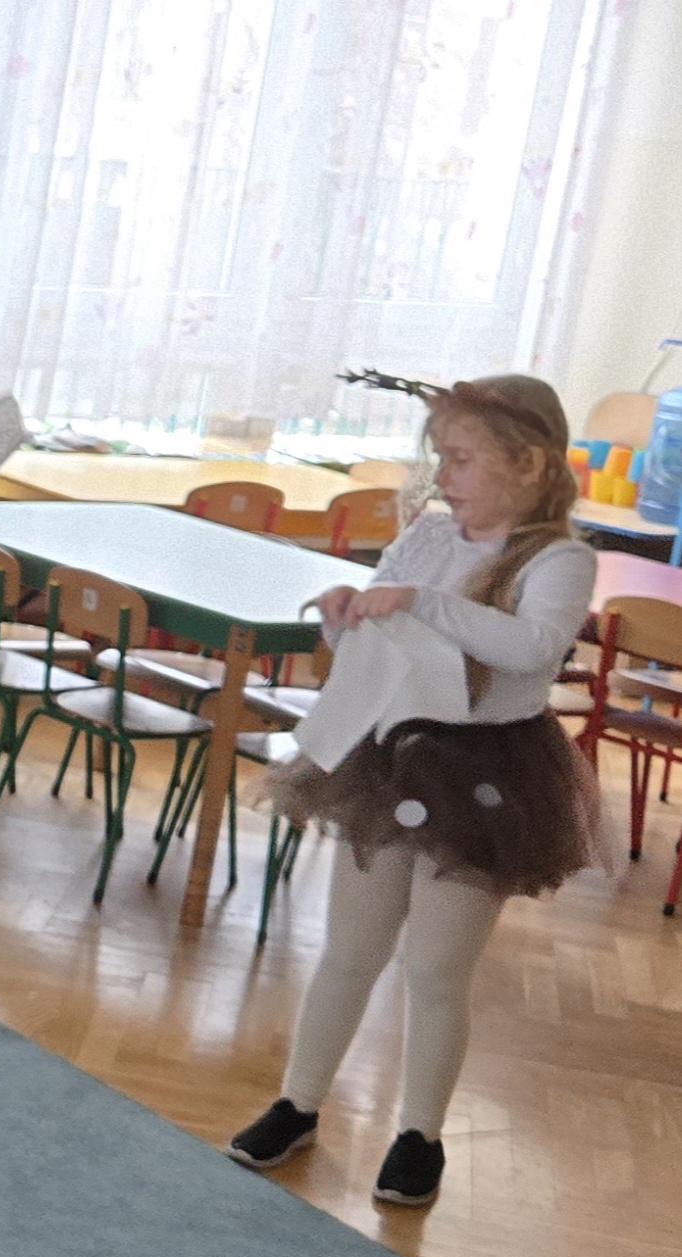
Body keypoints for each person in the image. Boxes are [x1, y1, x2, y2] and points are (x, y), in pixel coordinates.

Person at [227, 373, 599, 1206]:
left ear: (528, 464)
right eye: (440, 458)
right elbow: (381, 635)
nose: (444, 477)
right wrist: (345, 616)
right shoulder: (429, 536)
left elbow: (533, 650)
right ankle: (298, 1102)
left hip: (490, 776)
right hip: (391, 757)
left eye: (461, 459)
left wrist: (422, 603)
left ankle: (418, 1136)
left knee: (434, 968)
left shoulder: (560, 558)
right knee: (349, 950)